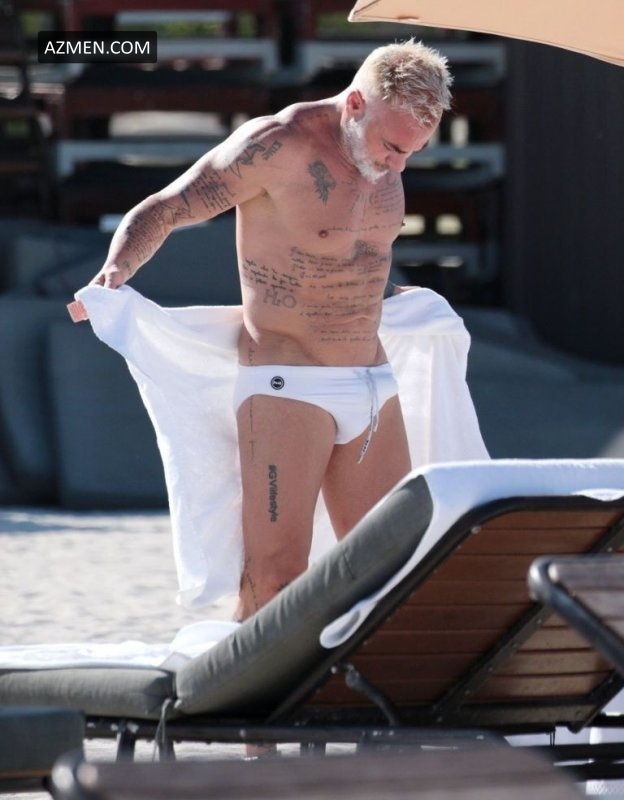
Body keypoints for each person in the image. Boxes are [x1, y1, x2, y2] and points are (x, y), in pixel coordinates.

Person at [87, 39, 453, 623]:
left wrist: (397, 298)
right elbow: (170, 205)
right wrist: (116, 270)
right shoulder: (277, 145)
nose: (399, 165)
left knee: (393, 566)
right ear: (355, 104)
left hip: (372, 383)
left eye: (413, 152)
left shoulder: (386, 156)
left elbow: (348, 257)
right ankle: (240, 681)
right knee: (276, 574)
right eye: (391, 147)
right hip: (289, 383)